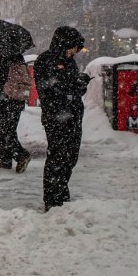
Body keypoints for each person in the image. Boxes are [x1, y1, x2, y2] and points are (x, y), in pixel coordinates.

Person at [35, 27, 91, 211]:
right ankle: (52, 198)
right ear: (63, 43)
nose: (74, 52)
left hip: (73, 115)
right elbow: (49, 89)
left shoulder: (70, 62)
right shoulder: (45, 60)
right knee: (57, 156)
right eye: (72, 47)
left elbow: (72, 88)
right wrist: (72, 85)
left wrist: (80, 84)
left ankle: (62, 193)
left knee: (70, 156)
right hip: (55, 116)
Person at [0, 51, 31, 172]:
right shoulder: (19, 58)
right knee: (9, 129)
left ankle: (20, 155)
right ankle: (4, 159)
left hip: (3, 99)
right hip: (17, 100)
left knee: (5, 130)